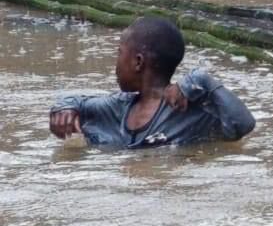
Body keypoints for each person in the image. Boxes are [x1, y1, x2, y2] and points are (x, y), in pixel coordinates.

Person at [49, 16, 255, 148]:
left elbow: (243, 125)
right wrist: (64, 108)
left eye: (119, 53)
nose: (116, 64)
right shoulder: (118, 106)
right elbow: (76, 102)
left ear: (138, 62)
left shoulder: (190, 111)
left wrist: (203, 79)